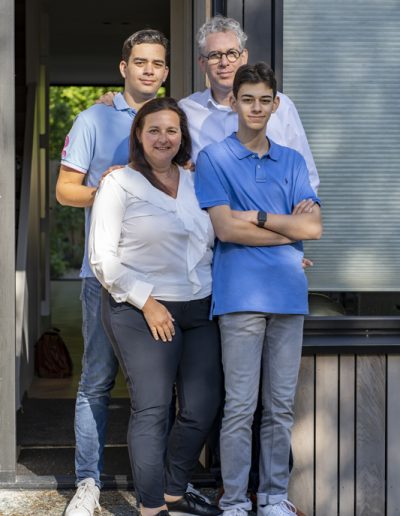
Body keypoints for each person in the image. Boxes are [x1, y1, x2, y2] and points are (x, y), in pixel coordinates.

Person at [194, 63, 322, 516]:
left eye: (265, 100)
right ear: (233, 102)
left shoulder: (291, 161)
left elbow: (315, 226)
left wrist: (261, 217)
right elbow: (226, 230)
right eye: (247, 99)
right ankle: (233, 502)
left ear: (275, 104)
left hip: (288, 294)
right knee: (240, 407)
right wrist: (290, 232)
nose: (256, 107)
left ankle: (271, 498)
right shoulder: (214, 158)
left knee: (280, 407)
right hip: (240, 296)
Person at [88, 96, 223, 516]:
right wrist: (147, 302)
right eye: (154, 130)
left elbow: (226, 234)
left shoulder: (199, 181)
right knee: (153, 406)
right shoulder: (119, 184)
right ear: (139, 136)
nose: (163, 138)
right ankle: (151, 508)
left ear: (182, 136)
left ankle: (172, 489)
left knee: (202, 406)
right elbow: (103, 259)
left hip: (199, 305)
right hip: (138, 307)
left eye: (172, 130)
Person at [56, 30, 171, 516]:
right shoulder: (94, 119)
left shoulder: (171, 121)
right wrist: (108, 189)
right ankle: (88, 483)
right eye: (140, 62)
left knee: (163, 387)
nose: (148, 70)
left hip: (165, 279)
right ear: (123, 67)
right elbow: (65, 191)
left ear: (166, 71)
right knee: (97, 381)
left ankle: (165, 486)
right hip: (103, 275)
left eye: (157, 64)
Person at [179, 15, 319, 194]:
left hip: (273, 217)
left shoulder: (281, 106)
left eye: (231, 53)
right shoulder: (186, 110)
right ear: (202, 63)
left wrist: (294, 218)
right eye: (214, 55)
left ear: (243, 57)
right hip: (209, 219)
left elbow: (307, 175)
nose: (224, 63)